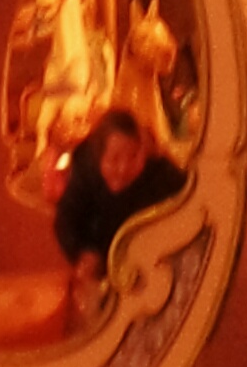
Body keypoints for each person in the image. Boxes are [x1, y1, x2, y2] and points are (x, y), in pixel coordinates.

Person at [49, 100, 186, 298]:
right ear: (98, 157)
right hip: (104, 275)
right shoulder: (84, 176)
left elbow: (186, 195)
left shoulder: (156, 172)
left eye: (132, 157)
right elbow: (66, 219)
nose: (123, 169)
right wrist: (82, 253)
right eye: (114, 159)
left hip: (153, 273)